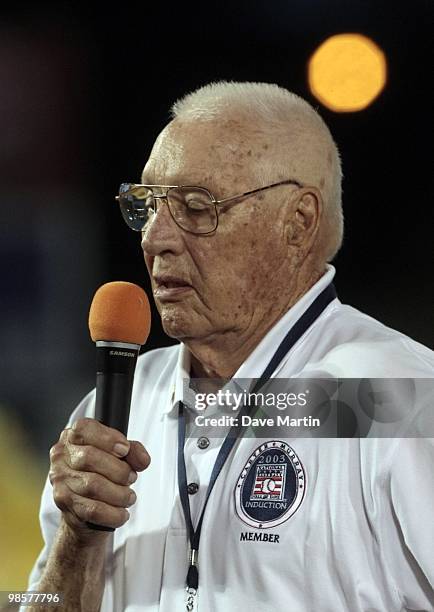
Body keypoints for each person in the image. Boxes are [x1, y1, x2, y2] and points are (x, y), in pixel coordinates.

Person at [26, 82, 433, 612]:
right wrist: (76, 542)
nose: (154, 238)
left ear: (298, 222)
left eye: (197, 207)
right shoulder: (117, 410)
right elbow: (23, 600)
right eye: (147, 205)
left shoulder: (396, 397)